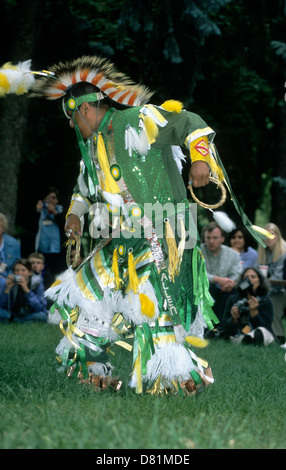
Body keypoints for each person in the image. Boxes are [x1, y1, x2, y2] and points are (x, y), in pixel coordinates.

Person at [0, 56, 270, 395]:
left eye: (72, 118)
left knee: (151, 306)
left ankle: (171, 378)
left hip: (163, 235)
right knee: (82, 293)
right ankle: (93, 372)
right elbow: (84, 185)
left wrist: (200, 157)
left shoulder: (137, 119)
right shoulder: (93, 147)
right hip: (120, 241)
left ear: (83, 109)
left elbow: (188, 120)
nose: (72, 127)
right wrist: (74, 213)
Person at [201, 221, 243, 323]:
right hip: (205, 289)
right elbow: (197, 273)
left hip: (226, 290)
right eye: (208, 238)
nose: (211, 241)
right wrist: (216, 279)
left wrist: (231, 283)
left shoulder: (232, 254)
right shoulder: (198, 252)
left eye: (215, 238)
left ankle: (225, 326)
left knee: (233, 292)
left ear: (222, 239)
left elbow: (237, 273)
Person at [222, 267, 275, 346]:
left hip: (259, 332)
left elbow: (266, 327)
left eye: (253, 277)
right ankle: (246, 339)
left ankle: (250, 339)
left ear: (260, 281)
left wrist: (254, 313)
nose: (249, 280)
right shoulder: (233, 299)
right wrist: (234, 319)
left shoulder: (266, 301)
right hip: (239, 333)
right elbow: (225, 326)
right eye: (246, 277)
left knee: (260, 332)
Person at [257, 222, 286, 348]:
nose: (268, 238)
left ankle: (279, 336)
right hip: (273, 288)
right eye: (265, 235)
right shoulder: (264, 253)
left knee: (274, 299)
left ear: (278, 236)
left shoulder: (283, 252)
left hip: (281, 289)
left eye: (271, 235)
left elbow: (279, 278)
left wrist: (262, 283)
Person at [0, 258, 47, 323]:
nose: (20, 273)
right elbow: (2, 305)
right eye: (17, 270)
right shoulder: (10, 282)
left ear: (30, 272)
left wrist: (27, 290)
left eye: (23, 270)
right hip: (12, 313)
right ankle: (16, 320)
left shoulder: (37, 283)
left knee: (42, 316)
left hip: (29, 314)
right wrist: (7, 289)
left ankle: (15, 321)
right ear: (14, 272)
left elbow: (39, 307)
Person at [35, 187, 65, 277]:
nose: (50, 200)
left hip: (56, 249)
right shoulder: (40, 211)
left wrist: (54, 212)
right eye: (48, 197)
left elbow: (64, 224)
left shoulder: (61, 210)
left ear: (57, 200)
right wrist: (37, 210)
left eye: (53, 198)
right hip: (42, 248)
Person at [0, 213, 21, 290]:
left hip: (11, 280)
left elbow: (18, 264)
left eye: (0, 225)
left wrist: (11, 277)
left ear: (3, 228)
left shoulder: (13, 243)